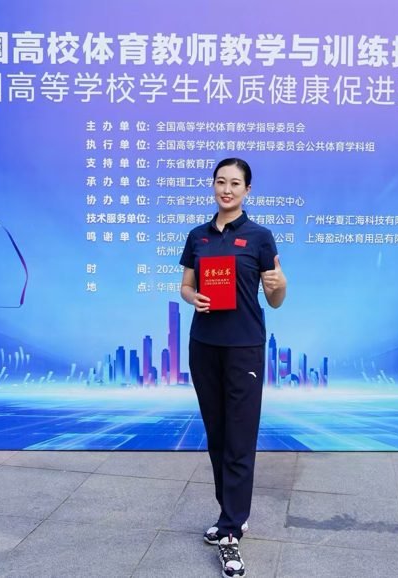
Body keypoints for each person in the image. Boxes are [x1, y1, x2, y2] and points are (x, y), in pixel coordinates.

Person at [179, 158, 286, 578]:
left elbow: (275, 298)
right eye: (220, 182)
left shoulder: (260, 237)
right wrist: (193, 298)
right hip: (204, 345)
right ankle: (231, 516)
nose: (227, 189)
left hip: (244, 348)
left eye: (235, 183)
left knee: (240, 439)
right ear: (213, 186)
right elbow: (186, 286)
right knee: (218, 436)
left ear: (247, 190)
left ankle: (229, 534)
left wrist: (279, 286)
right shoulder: (198, 236)